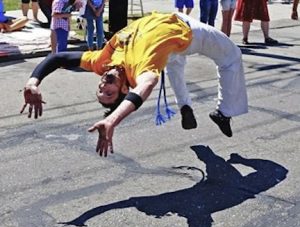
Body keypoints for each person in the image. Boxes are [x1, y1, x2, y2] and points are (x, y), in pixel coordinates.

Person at [20, 12, 248, 157]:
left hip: (166, 32)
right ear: (124, 90)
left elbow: (58, 58)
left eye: (99, 90)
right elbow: (146, 85)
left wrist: (33, 81)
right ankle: (224, 112)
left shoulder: (102, 63)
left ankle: (185, 106)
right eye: (108, 94)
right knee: (231, 56)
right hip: (187, 30)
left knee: (173, 62)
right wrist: (112, 120)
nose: (102, 87)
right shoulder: (141, 71)